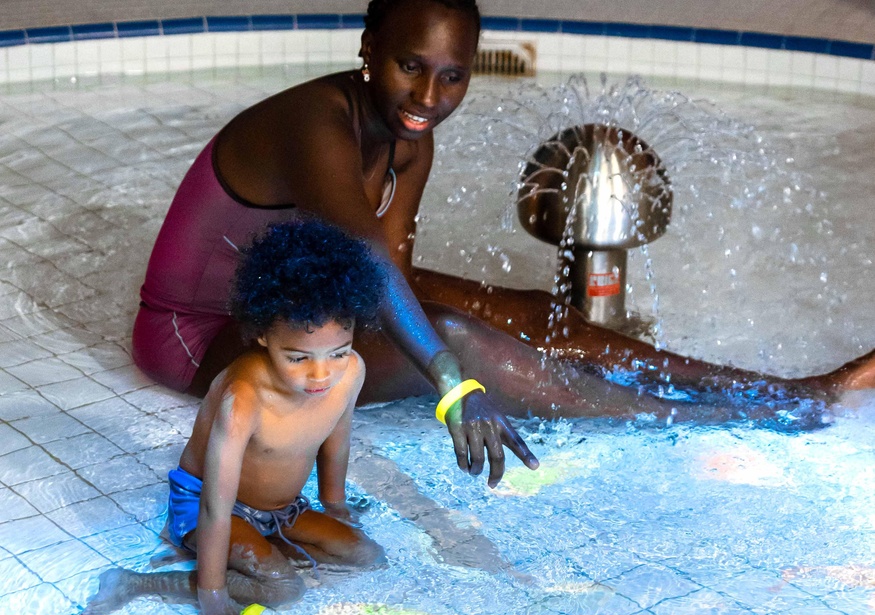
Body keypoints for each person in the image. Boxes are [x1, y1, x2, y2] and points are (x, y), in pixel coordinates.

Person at [132, 0, 875, 477]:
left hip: (306, 302)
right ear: (367, 49)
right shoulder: (316, 121)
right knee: (462, 337)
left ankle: (778, 389)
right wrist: (452, 379)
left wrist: (470, 328)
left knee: (517, 308)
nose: (429, 97)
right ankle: (725, 415)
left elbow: (389, 270)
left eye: (452, 76)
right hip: (203, 336)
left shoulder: (406, 137)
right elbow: (363, 257)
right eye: (409, 67)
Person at [80, 220, 387, 615]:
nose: (322, 375)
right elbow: (214, 505)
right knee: (283, 588)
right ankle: (136, 582)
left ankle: (256, 548)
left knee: (366, 554)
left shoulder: (350, 373)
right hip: (212, 506)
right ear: (262, 335)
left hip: (283, 509)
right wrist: (212, 593)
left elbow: (336, 442)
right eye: (298, 358)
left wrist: (335, 508)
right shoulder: (242, 399)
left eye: (338, 353)